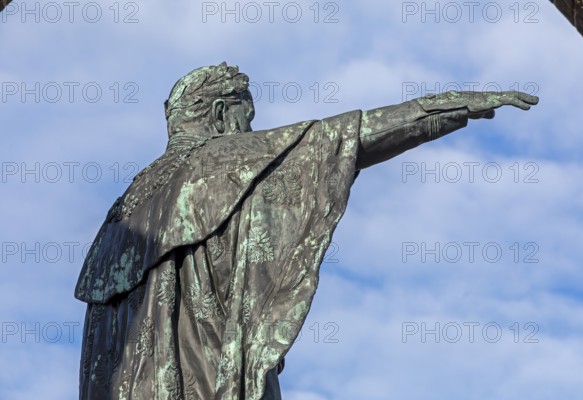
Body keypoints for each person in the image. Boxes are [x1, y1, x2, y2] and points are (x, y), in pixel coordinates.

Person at [74, 62, 538, 400]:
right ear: (219, 113)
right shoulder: (222, 159)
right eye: (245, 117)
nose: (249, 130)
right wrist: (449, 107)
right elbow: (348, 137)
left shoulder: (123, 210)